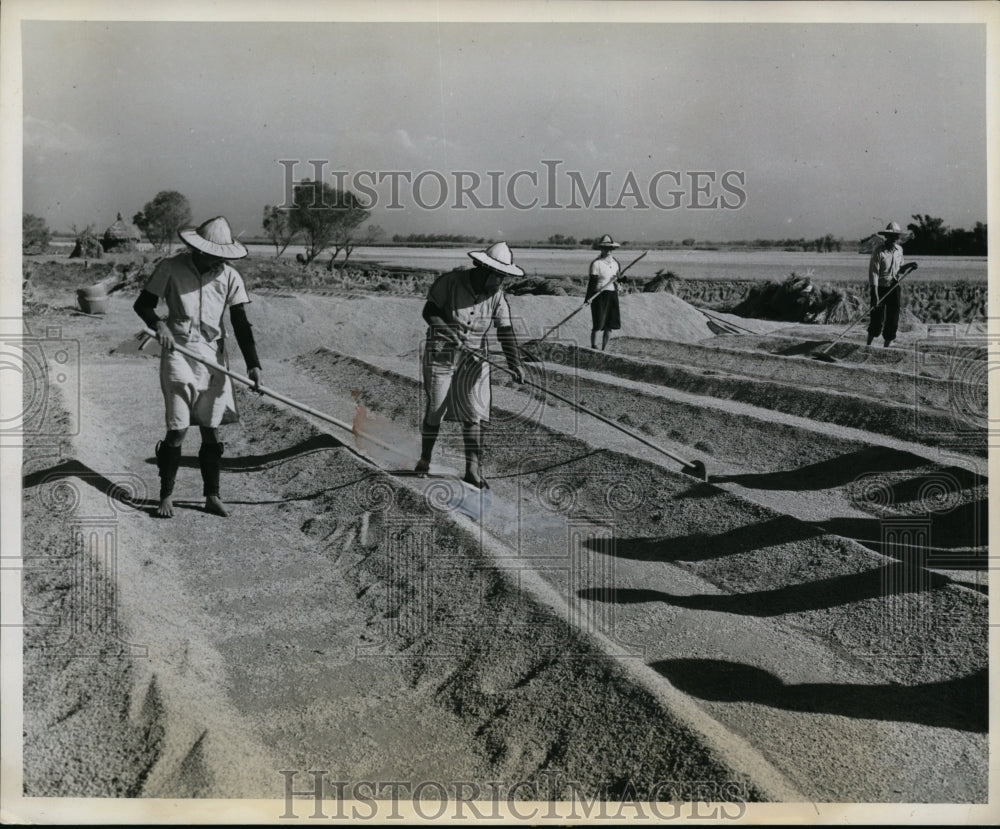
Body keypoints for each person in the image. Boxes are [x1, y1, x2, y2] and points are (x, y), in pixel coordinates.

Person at [133, 216, 262, 518]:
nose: (219, 259)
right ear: (199, 249)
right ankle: (166, 495)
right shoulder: (171, 268)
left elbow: (241, 324)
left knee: (211, 431)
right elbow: (143, 304)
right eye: (214, 253)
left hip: (213, 358)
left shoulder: (230, 277)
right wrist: (159, 325)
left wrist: (254, 365)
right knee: (177, 430)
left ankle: (212, 496)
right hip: (178, 352)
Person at [415, 241, 527, 489]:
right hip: (442, 353)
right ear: (483, 269)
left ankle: (472, 471)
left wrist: (515, 363)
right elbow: (429, 312)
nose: (501, 282)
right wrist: (447, 331)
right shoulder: (450, 282)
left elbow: (505, 331)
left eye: (504, 277)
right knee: (436, 408)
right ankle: (425, 458)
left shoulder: (497, 296)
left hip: (475, 357)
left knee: (474, 413)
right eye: (498, 276)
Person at [867, 221, 906, 348]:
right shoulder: (879, 252)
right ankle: (868, 345)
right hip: (880, 288)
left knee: (893, 319)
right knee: (876, 319)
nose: (894, 239)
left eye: (896, 236)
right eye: (892, 236)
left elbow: (900, 269)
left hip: (894, 287)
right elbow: (874, 273)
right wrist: (875, 294)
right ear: (886, 237)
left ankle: (886, 348)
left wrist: (909, 266)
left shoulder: (899, 250)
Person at [585, 234, 624, 350]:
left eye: (609, 248)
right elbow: (592, 283)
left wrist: (620, 282)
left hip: (612, 294)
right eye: (605, 248)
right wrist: (588, 298)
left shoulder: (616, 263)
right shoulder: (596, 264)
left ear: (612, 249)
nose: (607, 250)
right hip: (599, 295)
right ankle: (594, 347)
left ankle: (604, 349)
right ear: (601, 249)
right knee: (598, 323)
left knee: (609, 325)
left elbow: (619, 278)